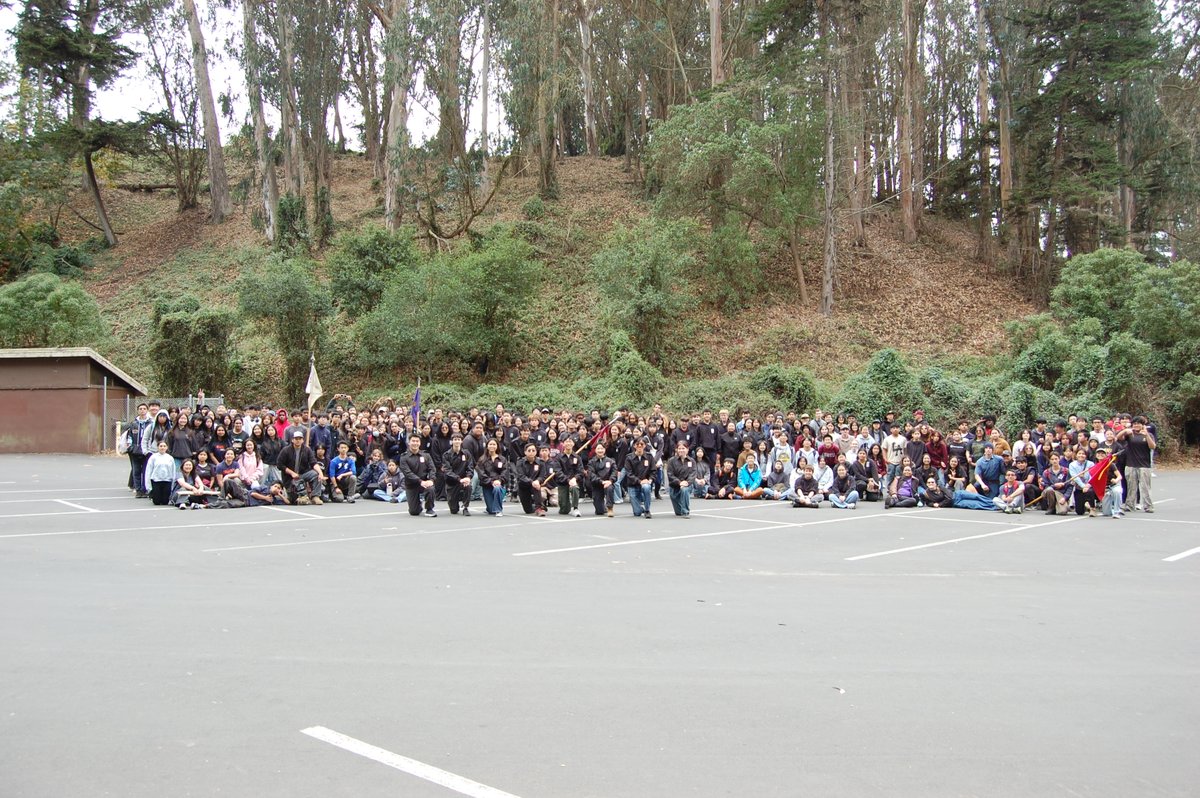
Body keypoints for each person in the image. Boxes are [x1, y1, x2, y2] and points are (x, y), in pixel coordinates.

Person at [1118, 416, 1155, 513]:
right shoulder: (1130, 434)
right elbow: (1117, 438)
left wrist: (1146, 435)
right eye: (1135, 424)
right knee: (1131, 486)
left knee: (1145, 487)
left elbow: (1152, 446)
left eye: (1139, 423)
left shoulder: (1148, 434)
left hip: (1144, 465)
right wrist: (1125, 430)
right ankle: (1129, 505)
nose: (1136, 425)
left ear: (1143, 425)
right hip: (1131, 464)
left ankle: (1148, 506)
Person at [278, 430, 322, 505]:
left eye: (300, 439)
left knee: (316, 474)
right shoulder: (286, 450)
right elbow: (280, 465)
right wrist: (292, 473)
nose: (298, 440)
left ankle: (315, 496)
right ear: (292, 440)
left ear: (302, 440)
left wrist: (320, 473)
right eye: (296, 439)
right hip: (290, 477)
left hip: (303, 473)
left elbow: (313, 463)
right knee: (294, 496)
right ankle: (302, 496)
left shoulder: (307, 450)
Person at [398, 434, 437, 517]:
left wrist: (431, 480)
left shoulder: (426, 455)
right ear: (409, 443)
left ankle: (429, 509)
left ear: (420, 443)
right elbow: (407, 473)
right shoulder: (404, 457)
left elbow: (432, 469)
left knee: (431, 488)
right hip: (411, 485)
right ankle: (418, 504)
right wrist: (420, 481)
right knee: (414, 512)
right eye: (413, 441)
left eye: (417, 441)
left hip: (425, 483)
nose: (415, 443)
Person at [442, 434, 474, 516]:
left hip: (463, 481)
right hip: (452, 483)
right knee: (454, 510)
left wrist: (468, 477)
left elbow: (470, 467)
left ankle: (465, 507)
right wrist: (459, 479)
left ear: (461, 441)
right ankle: (455, 502)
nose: (457, 441)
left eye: (458, 439)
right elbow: (448, 471)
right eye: (455, 439)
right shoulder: (446, 455)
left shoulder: (466, 453)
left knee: (469, 486)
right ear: (451, 441)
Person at [624, 437, 656, 518]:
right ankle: (641, 509)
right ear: (634, 446)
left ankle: (647, 510)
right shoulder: (629, 458)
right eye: (637, 444)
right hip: (633, 485)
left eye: (642, 444)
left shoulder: (649, 457)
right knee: (637, 513)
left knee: (646, 487)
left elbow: (653, 471)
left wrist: (650, 480)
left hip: (645, 483)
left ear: (645, 445)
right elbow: (629, 474)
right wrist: (639, 481)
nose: (639, 446)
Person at [477, 438, 509, 516]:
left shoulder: (502, 459)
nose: (492, 446)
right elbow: (481, 474)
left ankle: (498, 510)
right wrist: (491, 481)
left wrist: (499, 481)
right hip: (487, 485)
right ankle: (490, 508)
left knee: (497, 488)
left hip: (499, 484)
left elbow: (505, 472)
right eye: (490, 444)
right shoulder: (482, 460)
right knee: (491, 510)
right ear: (487, 446)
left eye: (494, 444)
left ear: (497, 446)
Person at [514, 442, 547, 516]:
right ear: (525, 452)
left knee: (536, 486)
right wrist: (532, 482)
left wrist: (538, 481)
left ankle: (539, 508)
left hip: (535, 485)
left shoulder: (541, 462)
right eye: (529, 450)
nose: (531, 452)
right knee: (528, 510)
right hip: (523, 486)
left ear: (536, 451)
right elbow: (521, 476)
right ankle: (540, 505)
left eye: (533, 450)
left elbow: (543, 476)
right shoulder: (520, 462)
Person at [665, 440, 696, 517]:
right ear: (677, 449)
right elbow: (670, 474)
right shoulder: (671, 461)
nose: (681, 450)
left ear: (687, 449)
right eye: (679, 448)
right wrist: (679, 482)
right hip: (674, 486)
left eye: (683, 448)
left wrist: (687, 483)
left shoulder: (691, 461)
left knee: (684, 489)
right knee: (678, 512)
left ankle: (686, 512)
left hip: (686, 485)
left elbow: (693, 474)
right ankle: (682, 510)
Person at [586, 442, 617, 517]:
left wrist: (610, 481)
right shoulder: (591, 462)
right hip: (597, 485)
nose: (600, 450)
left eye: (602, 448)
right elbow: (591, 475)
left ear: (605, 450)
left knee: (609, 488)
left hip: (608, 483)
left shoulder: (611, 461)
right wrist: (602, 481)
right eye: (598, 449)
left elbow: (614, 473)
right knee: (599, 511)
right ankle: (602, 507)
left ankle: (610, 508)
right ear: (595, 450)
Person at [555, 438, 583, 517]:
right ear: (563, 444)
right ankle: (566, 505)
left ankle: (575, 508)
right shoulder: (558, 457)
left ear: (573, 444)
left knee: (574, 488)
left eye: (570, 441)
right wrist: (567, 480)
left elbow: (580, 471)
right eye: (566, 441)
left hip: (574, 482)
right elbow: (558, 472)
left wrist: (575, 478)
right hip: (563, 483)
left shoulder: (577, 457)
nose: (568, 443)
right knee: (564, 510)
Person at [144, 441, 177, 506]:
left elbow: (173, 470)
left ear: (167, 447)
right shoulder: (153, 457)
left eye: (164, 446)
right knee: (156, 502)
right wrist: (148, 485)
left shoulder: (170, 458)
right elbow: (149, 470)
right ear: (158, 447)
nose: (162, 448)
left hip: (167, 480)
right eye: (161, 446)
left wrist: (173, 481)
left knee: (165, 502)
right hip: (156, 480)